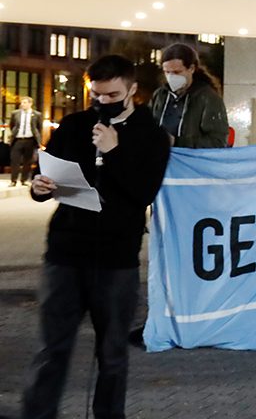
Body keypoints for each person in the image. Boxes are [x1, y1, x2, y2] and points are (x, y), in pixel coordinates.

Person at [21, 55, 170, 419]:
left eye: (112, 94)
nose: (103, 102)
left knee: (113, 354)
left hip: (115, 259)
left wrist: (114, 151)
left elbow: (143, 192)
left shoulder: (152, 135)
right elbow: (47, 177)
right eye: (97, 95)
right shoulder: (74, 125)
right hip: (65, 254)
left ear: (133, 89)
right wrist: (39, 187)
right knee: (51, 349)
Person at [149, 44, 229, 149]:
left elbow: (218, 142)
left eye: (177, 72)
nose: (171, 77)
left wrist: (177, 141)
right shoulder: (160, 95)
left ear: (191, 68)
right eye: (167, 72)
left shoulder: (207, 97)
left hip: (191, 162)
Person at [9, 96, 42, 186]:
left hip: (30, 140)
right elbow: (12, 125)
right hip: (17, 140)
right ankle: (13, 180)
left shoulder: (37, 114)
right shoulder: (15, 113)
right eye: (21, 102)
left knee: (28, 161)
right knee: (14, 160)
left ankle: (24, 180)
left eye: (24, 102)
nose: (22, 104)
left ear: (30, 104)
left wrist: (38, 140)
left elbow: (39, 128)